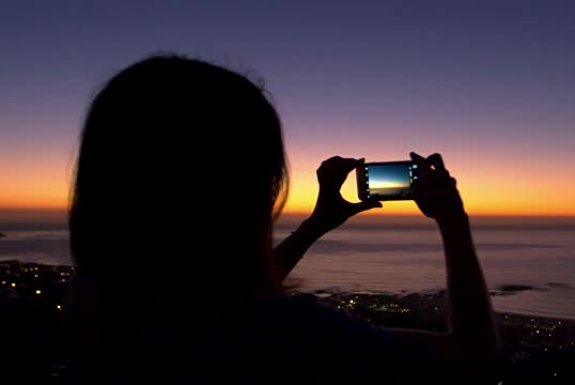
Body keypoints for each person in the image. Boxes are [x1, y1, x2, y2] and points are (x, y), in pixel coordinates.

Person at [65, 54, 501, 384]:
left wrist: (317, 224)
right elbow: (473, 356)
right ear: (249, 191)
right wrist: (454, 222)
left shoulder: (93, 300)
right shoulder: (293, 334)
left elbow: (228, 287)